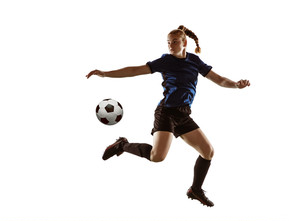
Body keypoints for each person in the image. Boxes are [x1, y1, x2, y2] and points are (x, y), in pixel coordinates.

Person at [86, 25, 250, 207]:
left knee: (208, 152)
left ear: (184, 43)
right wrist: (106, 74)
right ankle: (122, 145)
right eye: (168, 43)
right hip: (166, 112)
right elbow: (135, 70)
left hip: (184, 114)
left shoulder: (195, 61)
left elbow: (219, 80)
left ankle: (195, 189)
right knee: (157, 157)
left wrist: (236, 84)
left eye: (175, 42)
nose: (171, 46)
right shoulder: (165, 61)